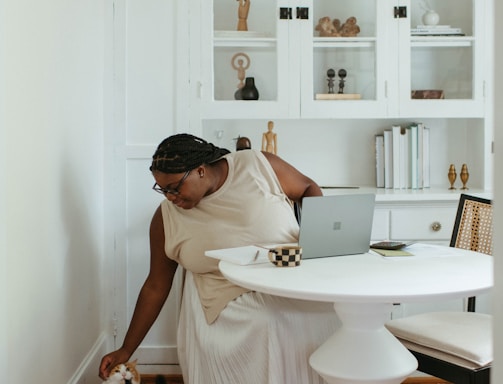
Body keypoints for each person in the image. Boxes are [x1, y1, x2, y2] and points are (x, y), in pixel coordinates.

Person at [99, 133, 339, 384]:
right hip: (228, 294)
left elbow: (308, 187)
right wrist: (126, 349)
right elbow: (155, 286)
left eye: (174, 187)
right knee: (270, 322)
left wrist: (315, 238)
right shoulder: (166, 218)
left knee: (335, 312)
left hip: (292, 275)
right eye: (162, 190)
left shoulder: (258, 165)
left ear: (200, 171)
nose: (169, 197)